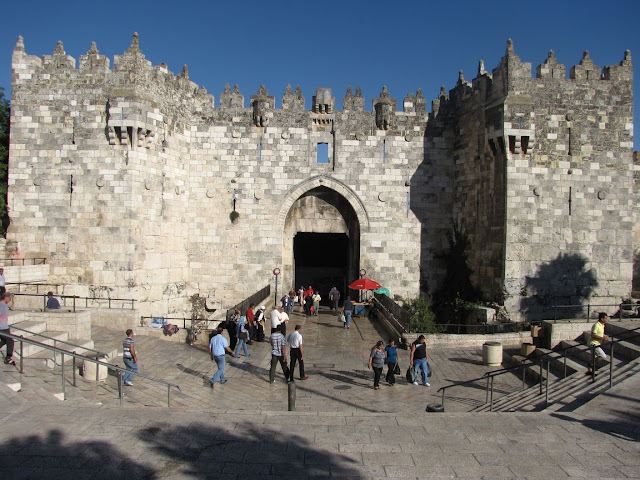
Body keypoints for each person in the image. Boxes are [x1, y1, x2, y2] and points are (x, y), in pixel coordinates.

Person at [0, 293, 16, 365]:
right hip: (2, 328)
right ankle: (8, 358)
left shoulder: (4, 305)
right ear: (6, 298)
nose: (10, 300)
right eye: (9, 299)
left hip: (5, 327)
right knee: (10, 341)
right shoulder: (2, 306)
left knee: (4, 340)